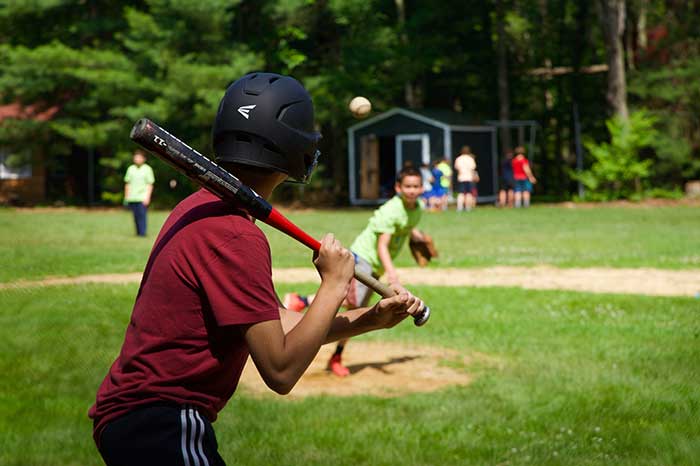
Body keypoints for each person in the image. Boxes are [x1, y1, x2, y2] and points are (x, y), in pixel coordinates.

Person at [88, 72, 425, 466]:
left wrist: (369, 319)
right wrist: (334, 284)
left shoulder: (203, 208)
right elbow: (281, 370)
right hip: (161, 422)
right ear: (291, 148)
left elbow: (278, 324)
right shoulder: (234, 234)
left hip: (138, 419)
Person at [284, 165, 426, 377]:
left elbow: (406, 226)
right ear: (398, 188)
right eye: (408, 186)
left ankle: (301, 301)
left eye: (416, 186)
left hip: (374, 265)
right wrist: (392, 274)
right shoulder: (391, 210)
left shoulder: (417, 208)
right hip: (364, 259)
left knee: (353, 305)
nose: (412, 190)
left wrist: (417, 237)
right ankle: (336, 355)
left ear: (422, 188)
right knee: (355, 307)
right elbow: (382, 246)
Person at [123, 149, 155, 236]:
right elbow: (127, 184)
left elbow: (150, 184)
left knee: (142, 216)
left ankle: (142, 233)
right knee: (135, 216)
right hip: (132, 197)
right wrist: (126, 197)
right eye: (136, 157)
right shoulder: (130, 169)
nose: (137, 159)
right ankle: (137, 232)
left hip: (142, 198)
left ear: (143, 159)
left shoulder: (147, 169)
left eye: (139, 157)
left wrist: (147, 197)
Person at [453, 146, 479, 212]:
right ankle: (468, 207)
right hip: (469, 178)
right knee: (469, 193)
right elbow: (473, 169)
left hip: (461, 178)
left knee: (461, 193)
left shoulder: (459, 159)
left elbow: (457, 168)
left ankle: (459, 207)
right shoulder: (470, 159)